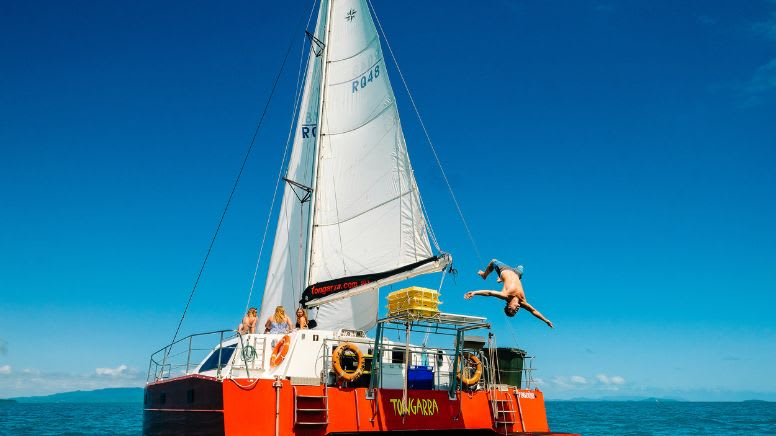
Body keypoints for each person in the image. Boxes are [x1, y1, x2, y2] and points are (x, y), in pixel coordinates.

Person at [464, 259, 553, 328]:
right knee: (521, 266)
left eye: (514, 310)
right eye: (516, 311)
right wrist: (546, 320)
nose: (517, 309)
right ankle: (501, 279)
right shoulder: (523, 302)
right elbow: (534, 311)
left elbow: (489, 293)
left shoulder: (505, 295)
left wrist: (475, 292)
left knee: (493, 261)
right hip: (517, 273)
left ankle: (484, 275)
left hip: (504, 269)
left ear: (509, 306)